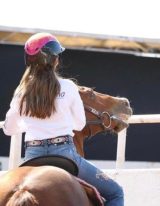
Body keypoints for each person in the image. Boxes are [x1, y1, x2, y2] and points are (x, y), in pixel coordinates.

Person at [3, 32, 124, 206]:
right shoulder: (68, 87)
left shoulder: (20, 93)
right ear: (55, 59)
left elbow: (9, 129)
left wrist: (30, 123)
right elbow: (80, 124)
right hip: (65, 155)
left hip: (32, 155)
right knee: (115, 193)